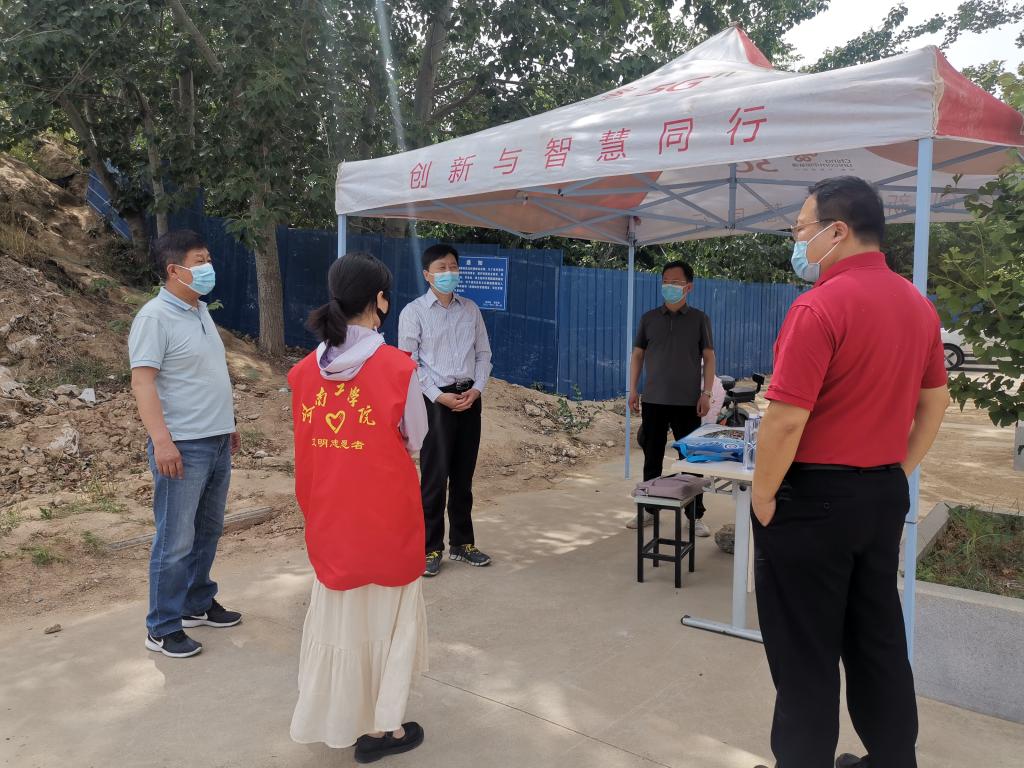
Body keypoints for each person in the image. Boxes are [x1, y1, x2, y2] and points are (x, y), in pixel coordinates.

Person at [750, 177, 949, 768]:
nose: (798, 241)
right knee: (877, 640)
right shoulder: (918, 305)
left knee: (806, 655)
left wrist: (762, 496)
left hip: (813, 501)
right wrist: (898, 469)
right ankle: (893, 760)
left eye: (801, 229)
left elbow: (786, 419)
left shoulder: (820, 305)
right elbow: (934, 401)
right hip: (881, 495)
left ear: (837, 231)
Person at [288, 252, 428, 764]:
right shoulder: (399, 369)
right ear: (380, 301)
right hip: (385, 520)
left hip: (330, 517)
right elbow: (416, 439)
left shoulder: (303, 373)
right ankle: (382, 728)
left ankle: (337, 717)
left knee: (340, 623)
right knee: (387, 623)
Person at [128, 230, 242, 659]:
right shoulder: (154, 317)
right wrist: (162, 441)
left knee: (208, 529)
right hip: (182, 446)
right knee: (175, 539)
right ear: (174, 269)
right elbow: (143, 383)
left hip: (216, 440)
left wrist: (228, 425)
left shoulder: (199, 311)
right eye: (200, 260)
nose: (208, 267)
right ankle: (161, 627)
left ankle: (196, 603)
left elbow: (205, 375)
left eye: (208, 258)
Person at [398, 244, 493, 577]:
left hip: (470, 399)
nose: (449, 272)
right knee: (435, 477)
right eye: (442, 268)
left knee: (463, 477)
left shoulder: (471, 310)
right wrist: (439, 396)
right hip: (434, 403)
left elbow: (483, 354)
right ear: (427, 274)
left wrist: (477, 389)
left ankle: (463, 544)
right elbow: (409, 362)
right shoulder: (414, 312)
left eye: (453, 266)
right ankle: (430, 548)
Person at [628, 260, 716, 535]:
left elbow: (709, 357)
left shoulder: (699, 319)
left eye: (675, 282)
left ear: (689, 287)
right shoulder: (649, 318)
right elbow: (638, 355)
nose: (669, 286)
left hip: (688, 402)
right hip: (654, 400)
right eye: (666, 281)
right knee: (651, 457)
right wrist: (633, 389)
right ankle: (649, 510)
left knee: (690, 460)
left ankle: (695, 515)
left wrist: (706, 393)